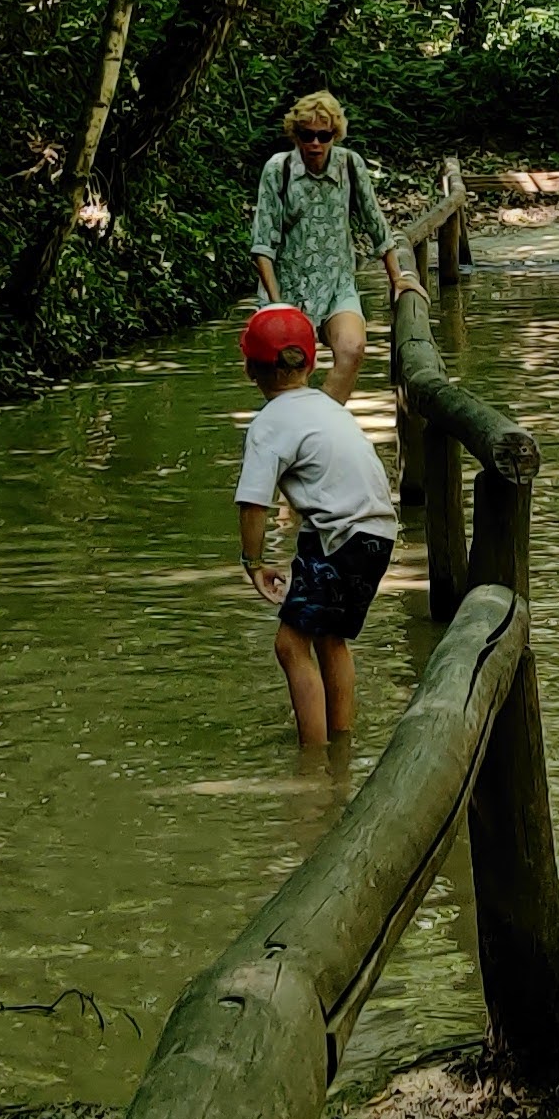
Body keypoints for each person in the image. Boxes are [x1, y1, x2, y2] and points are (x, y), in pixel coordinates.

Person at [234, 305, 397, 746]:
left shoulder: (268, 425)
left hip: (339, 537)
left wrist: (252, 562)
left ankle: (314, 759)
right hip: (376, 533)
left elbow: (253, 504)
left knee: (290, 645)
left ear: (250, 368)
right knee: (330, 637)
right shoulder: (328, 408)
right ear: (311, 361)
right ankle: (340, 742)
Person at [248, 88, 407, 405]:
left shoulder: (350, 165)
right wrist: (278, 309)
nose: (315, 144)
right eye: (307, 135)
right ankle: (295, 431)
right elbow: (262, 246)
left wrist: (397, 279)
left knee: (352, 349)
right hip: (288, 289)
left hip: (338, 284)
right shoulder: (278, 171)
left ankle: (322, 423)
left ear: (336, 134)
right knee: (290, 375)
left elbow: (376, 223)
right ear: (296, 135)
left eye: (324, 135)